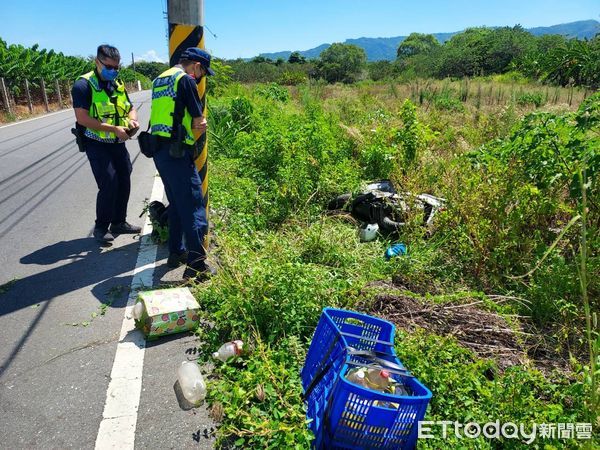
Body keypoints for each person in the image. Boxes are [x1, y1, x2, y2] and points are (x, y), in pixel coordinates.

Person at [149, 47, 214, 281]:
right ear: (196, 65)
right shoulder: (185, 81)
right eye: (203, 72)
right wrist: (200, 124)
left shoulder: (160, 79)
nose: (201, 77)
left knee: (176, 202)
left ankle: (176, 252)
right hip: (177, 151)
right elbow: (198, 121)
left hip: (159, 150)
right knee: (193, 203)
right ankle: (197, 264)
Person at [72, 44, 142, 244]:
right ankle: (101, 227)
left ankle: (119, 222)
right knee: (109, 182)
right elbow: (83, 118)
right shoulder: (83, 85)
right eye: (109, 66)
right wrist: (113, 129)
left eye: (116, 67)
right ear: (97, 62)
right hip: (96, 142)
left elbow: (130, 107)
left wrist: (132, 120)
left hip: (117, 141)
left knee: (124, 178)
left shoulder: (117, 83)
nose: (113, 71)